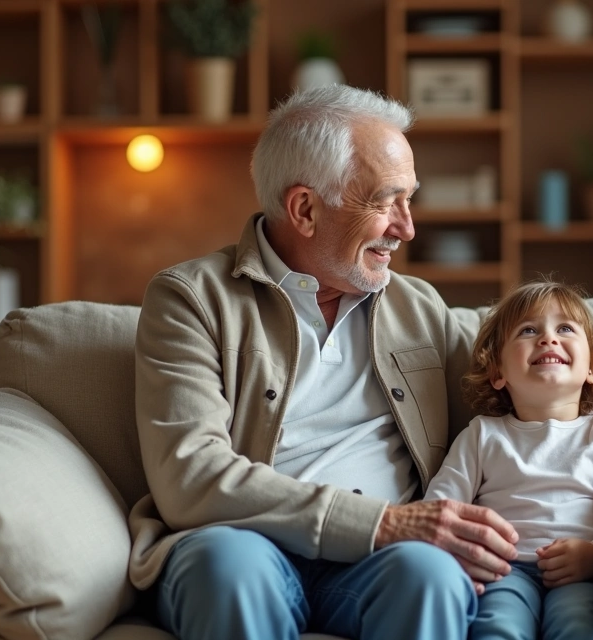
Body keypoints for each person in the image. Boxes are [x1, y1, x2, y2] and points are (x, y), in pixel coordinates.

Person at [128, 84, 522, 640]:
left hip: (382, 564)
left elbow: (517, 393)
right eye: (386, 201)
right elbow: (190, 476)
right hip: (246, 545)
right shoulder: (191, 299)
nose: (407, 228)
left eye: (410, 199)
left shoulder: (419, 307)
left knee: (431, 574)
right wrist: (381, 524)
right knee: (227, 570)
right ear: (305, 209)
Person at [425, 280, 593, 640]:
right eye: (528, 330)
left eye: (565, 329)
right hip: (503, 572)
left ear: (592, 368)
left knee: (583, 626)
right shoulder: (482, 434)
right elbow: (441, 507)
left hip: (585, 570)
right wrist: (466, 554)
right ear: (497, 373)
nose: (548, 339)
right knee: (498, 626)